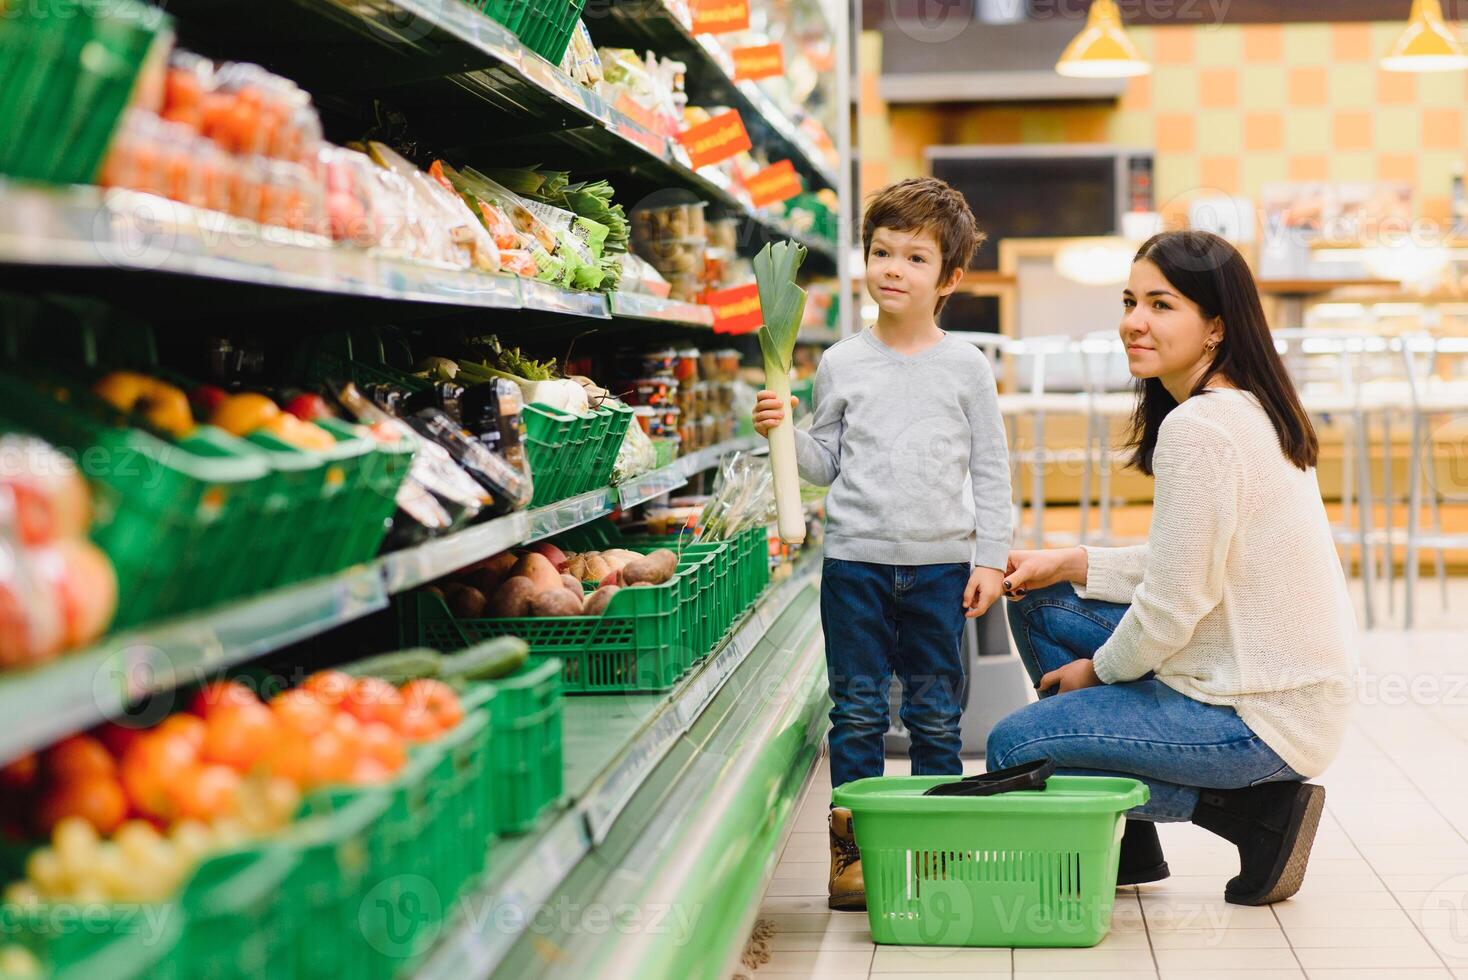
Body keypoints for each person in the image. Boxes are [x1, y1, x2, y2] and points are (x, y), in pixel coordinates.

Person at [988, 230, 1356, 907]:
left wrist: (1093, 674)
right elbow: (1188, 563)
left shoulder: (1201, 430)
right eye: (1130, 301)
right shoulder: (1248, 407)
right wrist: (1070, 561)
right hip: (1290, 692)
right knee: (1040, 598)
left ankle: (1253, 815)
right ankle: (1128, 843)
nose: (1134, 321)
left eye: (1161, 305)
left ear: (1215, 326)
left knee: (1016, 748)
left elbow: (1174, 602)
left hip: (1258, 716)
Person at [752, 177, 1012, 911]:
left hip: (940, 567)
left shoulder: (965, 368)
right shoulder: (841, 362)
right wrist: (782, 431)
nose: (892, 268)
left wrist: (990, 556)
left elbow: (992, 469)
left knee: (936, 712)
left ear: (950, 278)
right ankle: (855, 857)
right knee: (858, 712)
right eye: (881, 251)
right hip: (855, 566)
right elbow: (824, 464)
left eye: (915, 257)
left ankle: (935, 850)